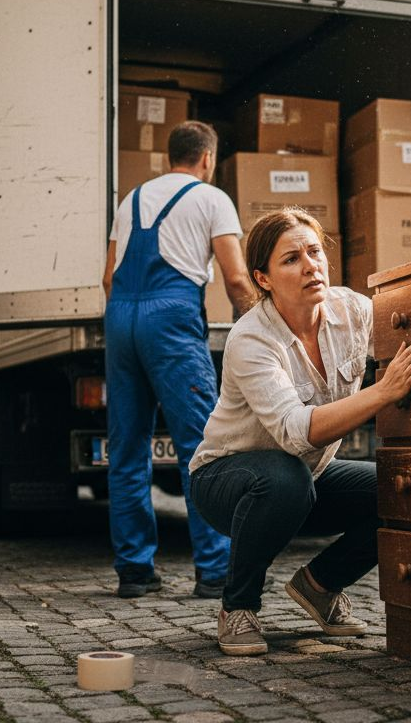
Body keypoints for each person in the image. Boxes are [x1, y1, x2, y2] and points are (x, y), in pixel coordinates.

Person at [187, 208, 411, 655]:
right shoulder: (252, 339)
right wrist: (383, 392)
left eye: (315, 252)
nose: (310, 266)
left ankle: (320, 585)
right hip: (225, 480)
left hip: (307, 477)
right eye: (291, 259)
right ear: (263, 278)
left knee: (401, 488)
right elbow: (294, 433)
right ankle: (238, 607)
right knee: (284, 478)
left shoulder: (351, 310)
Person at [102, 120, 255, 599]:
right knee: (201, 448)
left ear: (170, 156)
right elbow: (235, 278)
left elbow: (107, 277)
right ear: (207, 158)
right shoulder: (212, 199)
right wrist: (261, 328)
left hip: (120, 318)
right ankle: (214, 571)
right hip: (170, 319)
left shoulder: (131, 200)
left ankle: (134, 572)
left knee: (127, 448)